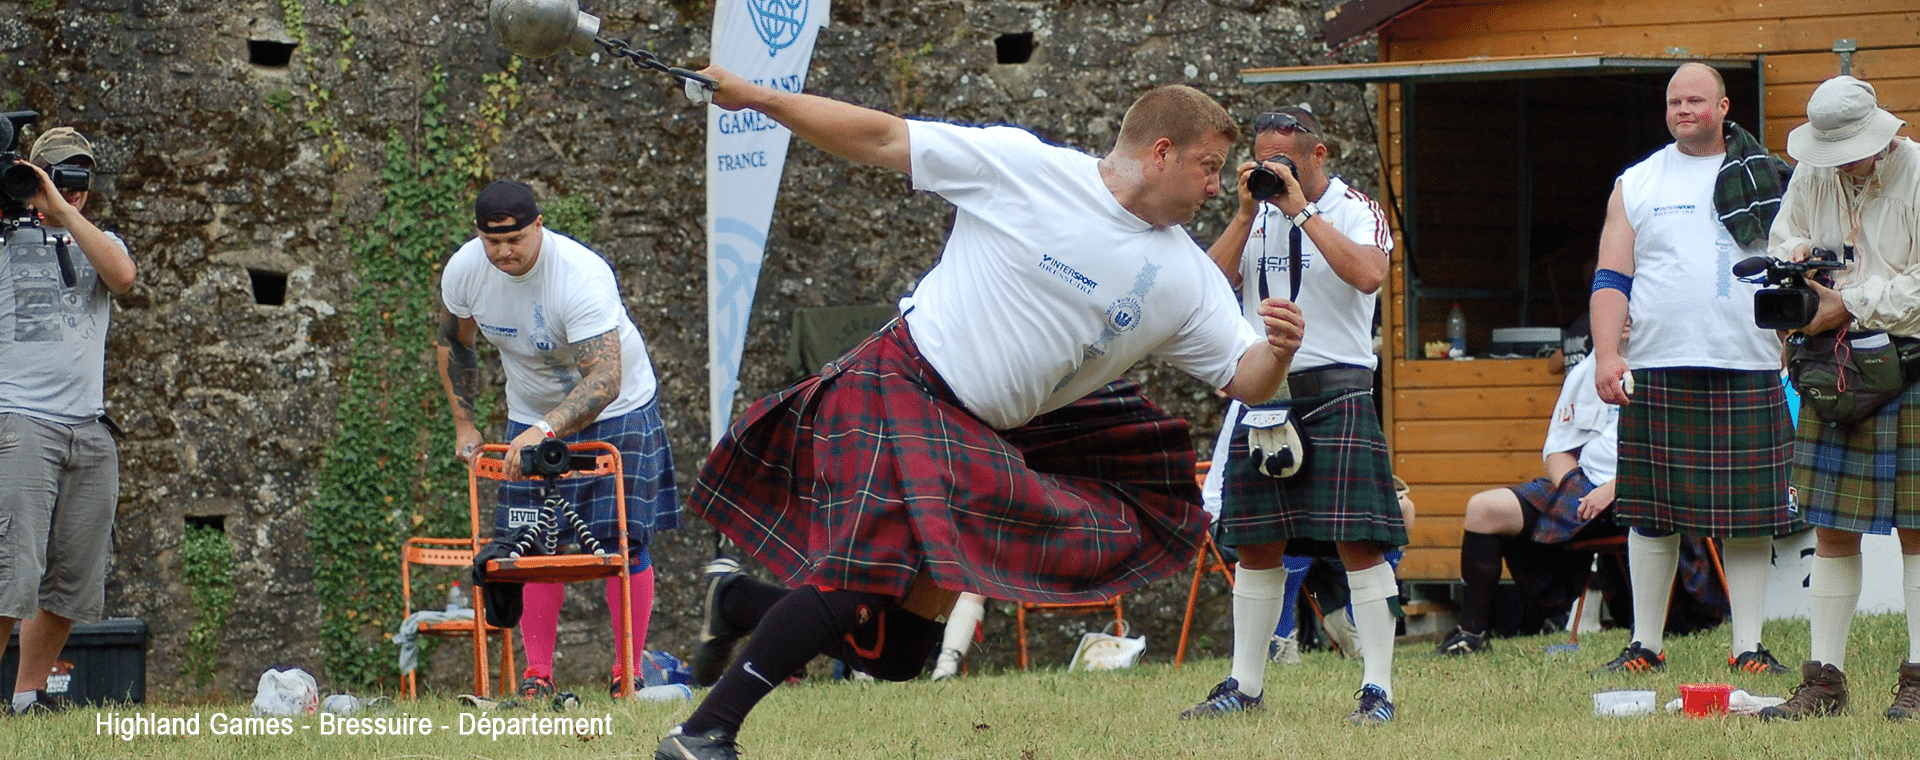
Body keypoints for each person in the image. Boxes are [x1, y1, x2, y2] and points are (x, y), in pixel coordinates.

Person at [657, 71, 1304, 760]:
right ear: (1161, 153)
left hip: (986, 433)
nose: (1217, 188)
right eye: (1209, 167)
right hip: (902, 383)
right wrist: (758, 97)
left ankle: (737, 603)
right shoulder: (1024, 169)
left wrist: (1279, 352)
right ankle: (703, 733)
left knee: (899, 652)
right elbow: (880, 137)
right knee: (856, 582)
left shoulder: (1188, 278)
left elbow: (1245, 379)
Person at [1183, 105, 1406, 725]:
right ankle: (1244, 685)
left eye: (1285, 159)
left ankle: (1378, 690)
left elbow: (1369, 274)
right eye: (1264, 160)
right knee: (1256, 545)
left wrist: (1300, 210)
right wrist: (1244, 213)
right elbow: (1205, 286)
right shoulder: (1254, 212)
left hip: (1337, 390)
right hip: (1265, 393)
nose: (1274, 169)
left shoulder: (1355, 208)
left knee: (1360, 544)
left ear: (1318, 155)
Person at [1588, 62, 1802, 675]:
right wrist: (1607, 353)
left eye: (1696, 101)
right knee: (1649, 514)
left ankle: (1748, 647)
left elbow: (1803, 263)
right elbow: (1612, 276)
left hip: (1748, 359)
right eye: (1674, 102)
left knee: (1749, 517)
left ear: (1724, 107)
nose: (1684, 110)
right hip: (1657, 362)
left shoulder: (1768, 177)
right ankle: (1644, 645)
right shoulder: (1637, 182)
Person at [435, 180, 679, 699]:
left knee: (622, 541)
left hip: (618, 408)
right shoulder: (465, 271)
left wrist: (543, 432)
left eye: (515, 239)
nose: (503, 252)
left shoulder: (580, 275)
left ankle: (627, 673)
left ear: (538, 226)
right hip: (530, 410)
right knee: (529, 546)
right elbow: (455, 343)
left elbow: (605, 380)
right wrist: (464, 423)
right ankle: (537, 677)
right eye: (492, 241)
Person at [1757, 75, 1920, 721]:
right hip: (1834, 365)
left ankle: (1919, 680)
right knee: (1831, 525)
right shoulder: (1813, 172)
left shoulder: (1918, 173)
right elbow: (1781, 238)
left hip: (1910, 358)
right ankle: (1824, 684)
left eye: (1851, 150)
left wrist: (1848, 303)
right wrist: (1797, 256)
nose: (1842, 162)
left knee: (1918, 529)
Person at [0, 127, 135, 714]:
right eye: (59, 174)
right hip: (21, 419)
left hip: (89, 426)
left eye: (81, 175)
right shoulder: (5, 238)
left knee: (74, 574)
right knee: (12, 568)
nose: (72, 186)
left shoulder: (100, 240)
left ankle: (27, 696)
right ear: (35, 175)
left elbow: (123, 277)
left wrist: (64, 213)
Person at [1436, 350, 1622, 654]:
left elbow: (1680, 458)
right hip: (1585, 486)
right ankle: (1471, 636)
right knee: (1484, 509)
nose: (1626, 324)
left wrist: (1615, 489)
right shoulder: (1586, 371)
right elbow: (1559, 449)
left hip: (1647, 493)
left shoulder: (1666, 364)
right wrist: (1574, 490)